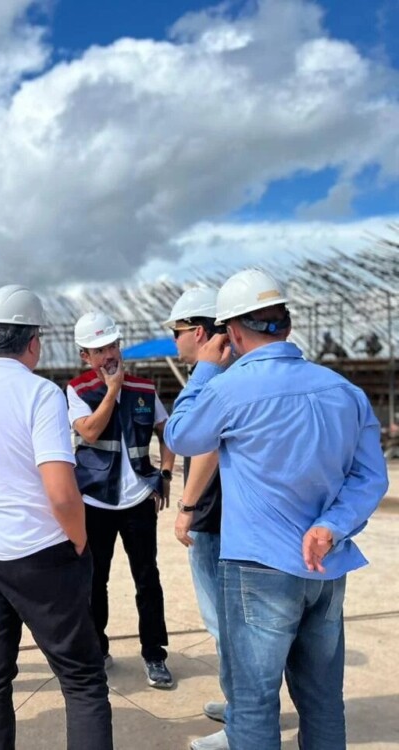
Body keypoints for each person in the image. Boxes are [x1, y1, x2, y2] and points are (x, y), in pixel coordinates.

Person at [164, 268, 388, 750]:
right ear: (286, 322)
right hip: (325, 565)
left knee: (253, 703)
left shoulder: (229, 388)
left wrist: (206, 368)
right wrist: (331, 525)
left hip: (258, 567)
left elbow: (181, 435)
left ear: (232, 331)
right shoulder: (342, 390)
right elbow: (371, 477)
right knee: (323, 700)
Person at [0, 285, 113, 750]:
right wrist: (79, 540)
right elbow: (61, 491)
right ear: (33, 342)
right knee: (82, 678)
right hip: (42, 553)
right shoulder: (40, 394)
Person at [67, 311, 176, 689]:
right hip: (95, 501)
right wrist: (113, 390)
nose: (108, 354)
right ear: (85, 356)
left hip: (139, 500)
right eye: (99, 350)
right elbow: (90, 432)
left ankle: (155, 654)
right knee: (94, 581)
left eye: (112, 345)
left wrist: (164, 474)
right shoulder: (77, 390)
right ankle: (97, 650)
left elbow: (167, 431)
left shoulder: (144, 388)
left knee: (147, 578)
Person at [163, 288, 230, 750]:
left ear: (200, 332)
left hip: (213, 517)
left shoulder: (214, 378)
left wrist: (187, 508)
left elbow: (201, 443)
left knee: (225, 625)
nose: (175, 340)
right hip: (231, 515)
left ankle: (244, 720)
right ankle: (242, 704)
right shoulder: (239, 369)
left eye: (178, 331)